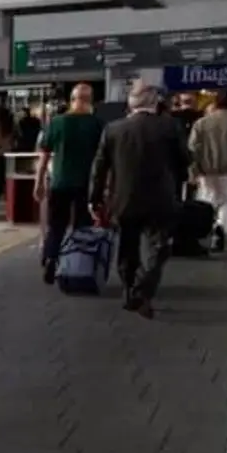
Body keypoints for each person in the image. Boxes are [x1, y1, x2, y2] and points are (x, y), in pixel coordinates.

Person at [89, 82, 191, 320]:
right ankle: (143, 290)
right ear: (155, 103)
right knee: (160, 248)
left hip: (124, 199)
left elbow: (99, 167)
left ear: (130, 104)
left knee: (127, 247)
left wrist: (94, 199)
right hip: (161, 199)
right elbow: (184, 161)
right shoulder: (169, 126)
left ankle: (128, 292)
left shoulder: (113, 129)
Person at [35, 83, 106, 283]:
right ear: (91, 101)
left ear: (71, 100)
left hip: (60, 182)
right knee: (81, 226)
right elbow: (103, 159)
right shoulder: (97, 124)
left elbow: (44, 156)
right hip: (86, 184)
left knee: (56, 225)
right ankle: (78, 265)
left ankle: (50, 258)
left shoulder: (56, 122)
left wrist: (38, 182)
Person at [188, 90, 227, 252]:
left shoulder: (202, 123)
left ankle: (205, 230)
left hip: (207, 168)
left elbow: (192, 148)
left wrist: (193, 170)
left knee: (208, 199)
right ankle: (221, 227)